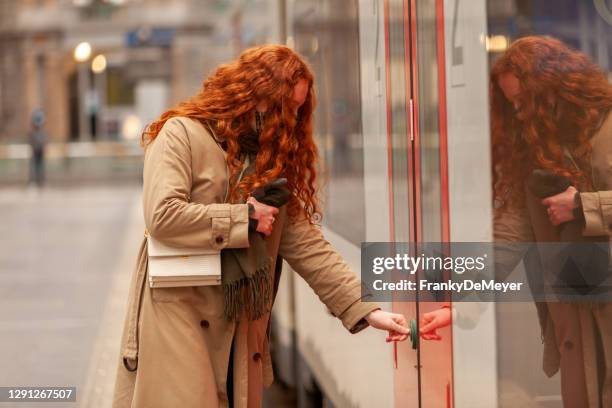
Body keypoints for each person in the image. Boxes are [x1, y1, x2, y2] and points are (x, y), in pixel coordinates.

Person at [111, 44, 410, 408]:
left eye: (299, 109)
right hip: (179, 317)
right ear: (254, 94)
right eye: (287, 105)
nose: (292, 119)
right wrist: (244, 218)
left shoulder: (269, 163)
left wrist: (368, 309)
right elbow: (162, 216)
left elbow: (307, 245)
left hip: (240, 325)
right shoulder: (181, 134)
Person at [491, 36, 612, 407]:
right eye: (511, 104)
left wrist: (583, 207)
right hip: (577, 321)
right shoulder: (535, 147)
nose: (520, 113)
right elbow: (512, 227)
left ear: (554, 86)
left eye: (524, 101)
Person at [29, 109, 47, 187]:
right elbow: (31, 140)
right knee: (34, 165)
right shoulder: (33, 133)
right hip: (35, 150)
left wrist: (43, 146)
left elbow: (44, 140)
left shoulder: (42, 132)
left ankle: (41, 181)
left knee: (40, 166)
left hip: (40, 150)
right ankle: (33, 181)